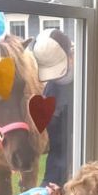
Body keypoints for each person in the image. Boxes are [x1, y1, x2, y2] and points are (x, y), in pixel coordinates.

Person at [32, 28, 73, 186]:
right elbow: (58, 145)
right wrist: (48, 182)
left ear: (70, 56)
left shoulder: (87, 79)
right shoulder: (51, 91)